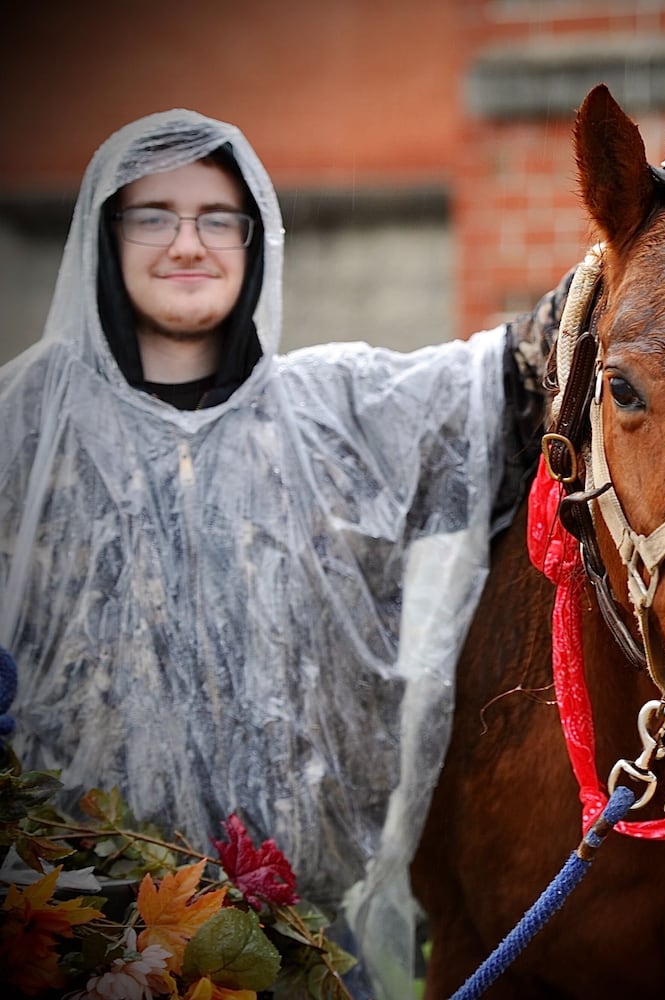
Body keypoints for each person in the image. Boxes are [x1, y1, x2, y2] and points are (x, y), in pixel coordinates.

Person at [0, 109, 564, 995]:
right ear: (102, 235)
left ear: (254, 236)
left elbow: (527, 376)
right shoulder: (24, 427)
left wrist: (663, 216)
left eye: (217, 217)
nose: (188, 243)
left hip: (295, 948)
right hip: (63, 936)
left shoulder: (336, 413)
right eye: (153, 215)